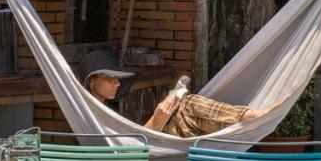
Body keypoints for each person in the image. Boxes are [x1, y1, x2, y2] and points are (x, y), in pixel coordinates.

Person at [78, 49, 267, 137]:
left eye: (117, 78)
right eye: (110, 78)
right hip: (143, 159)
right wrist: (156, 119)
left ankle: (246, 118)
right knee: (189, 105)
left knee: (186, 106)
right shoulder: (89, 116)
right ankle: (249, 117)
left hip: (150, 150)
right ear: (92, 81)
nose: (117, 83)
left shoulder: (105, 109)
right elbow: (128, 152)